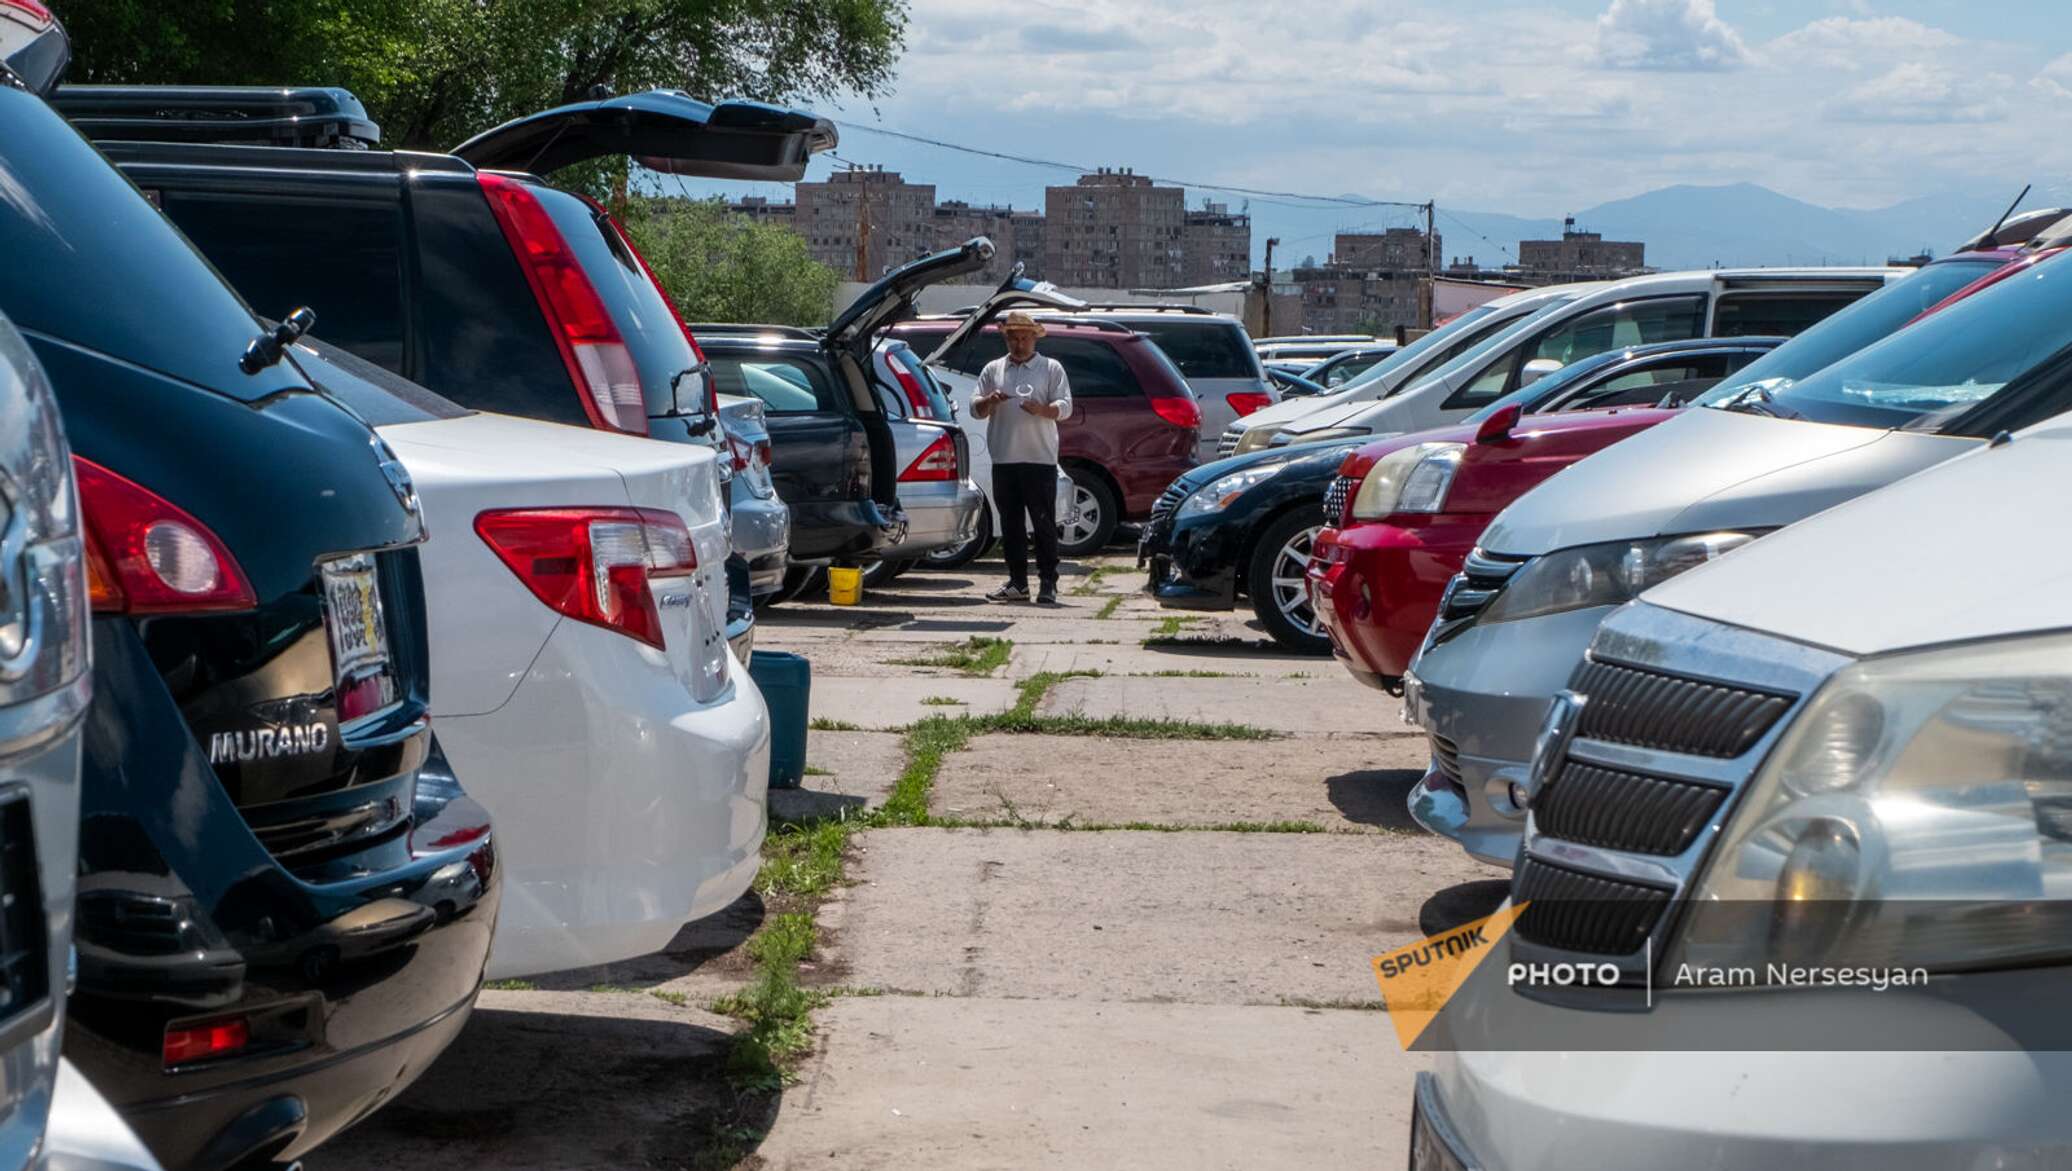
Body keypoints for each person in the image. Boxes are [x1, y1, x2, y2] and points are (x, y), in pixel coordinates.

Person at [970, 311, 1073, 604]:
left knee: (1043, 522)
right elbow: (974, 408)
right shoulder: (993, 369)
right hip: (1004, 457)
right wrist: (989, 401)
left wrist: (1043, 409)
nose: (1019, 343)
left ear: (1034, 338)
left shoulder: (1050, 368)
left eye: (1024, 337)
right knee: (1010, 523)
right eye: (1013, 337)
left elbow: (1065, 407)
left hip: (1039, 458)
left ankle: (1048, 583)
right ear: (1006, 338)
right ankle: (1017, 582)